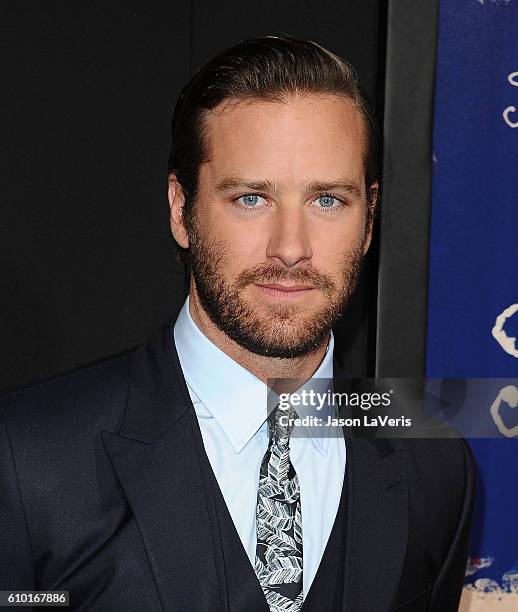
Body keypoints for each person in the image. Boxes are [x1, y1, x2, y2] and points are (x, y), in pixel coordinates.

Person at [0, 35, 475, 611]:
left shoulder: (434, 463)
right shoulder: (27, 456)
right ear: (182, 210)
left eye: (327, 200)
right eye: (252, 198)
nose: (291, 247)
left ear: (369, 218)